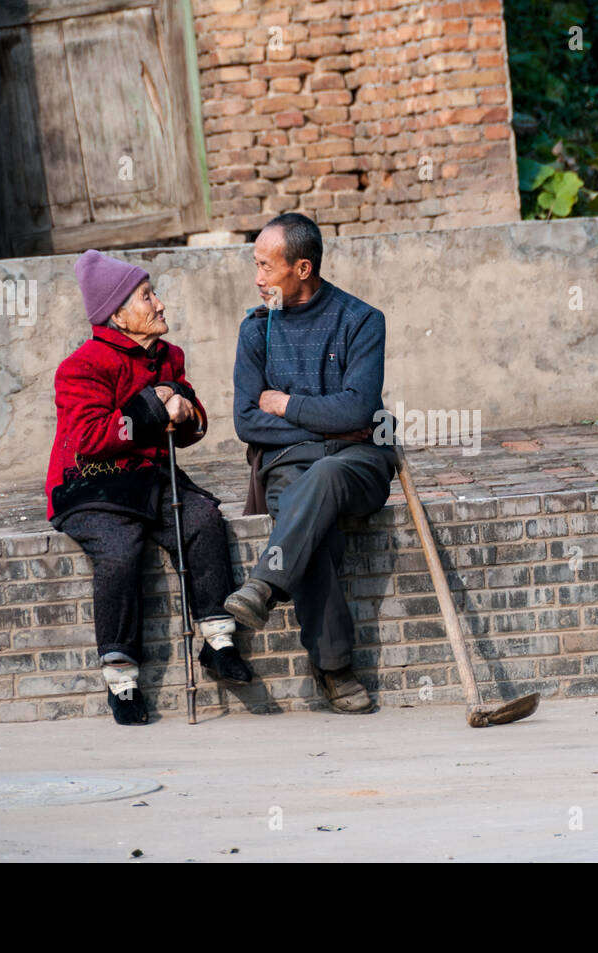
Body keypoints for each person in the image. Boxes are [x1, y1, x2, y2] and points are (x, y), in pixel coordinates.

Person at [45, 249, 253, 725]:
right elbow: (92, 439)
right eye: (146, 297)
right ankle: (122, 681)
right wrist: (153, 409)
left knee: (202, 519)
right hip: (92, 486)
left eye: (154, 293)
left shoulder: (168, 356)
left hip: (150, 481)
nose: (159, 304)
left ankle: (218, 642)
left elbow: (193, 425)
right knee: (120, 548)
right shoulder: (81, 367)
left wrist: (183, 409)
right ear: (117, 315)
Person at [224, 213, 398, 713]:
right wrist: (330, 422)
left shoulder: (362, 321)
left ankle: (263, 585)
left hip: (359, 461)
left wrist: (286, 404)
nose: (257, 278)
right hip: (287, 464)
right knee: (309, 523)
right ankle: (335, 668)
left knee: (324, 476)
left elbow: (358, 409)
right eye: (254, 264)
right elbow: (246, 421)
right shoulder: (255, 332)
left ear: (302, 268)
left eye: (265, 266)